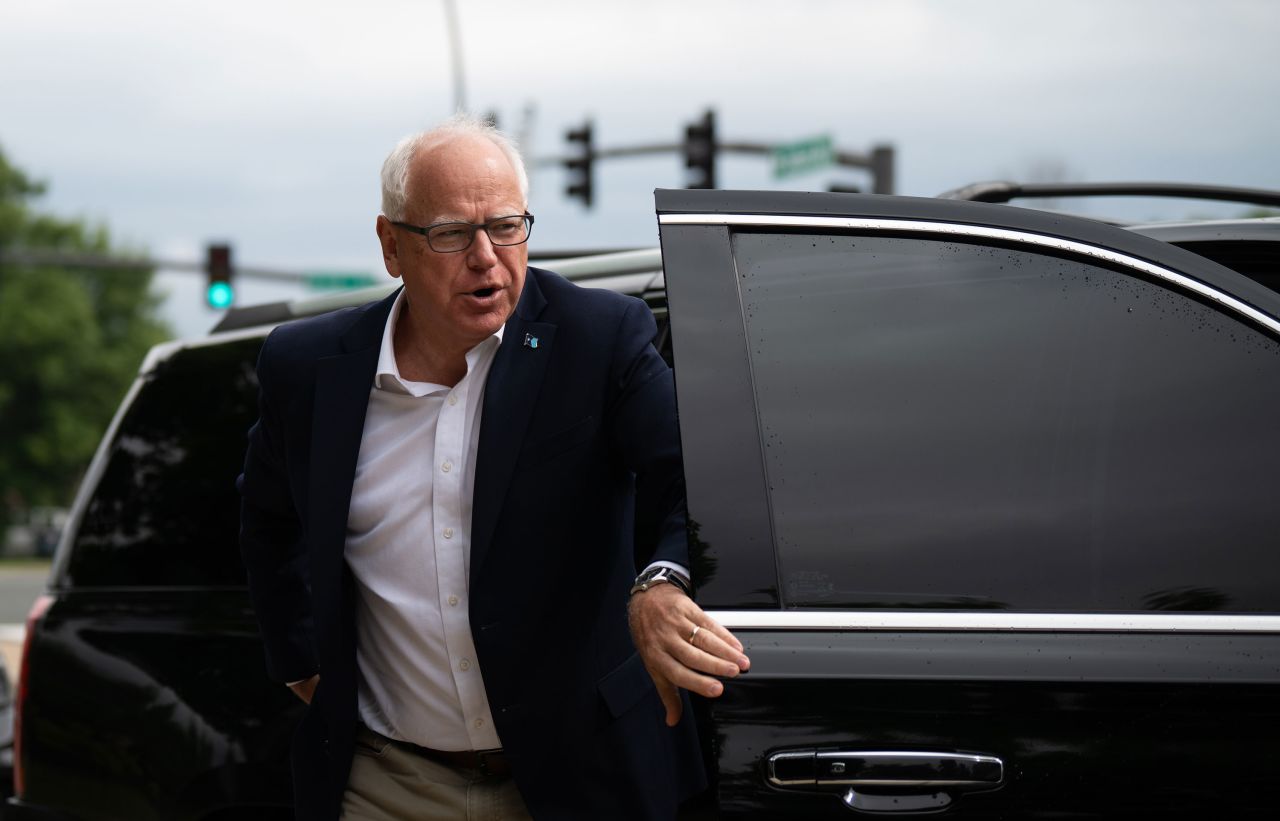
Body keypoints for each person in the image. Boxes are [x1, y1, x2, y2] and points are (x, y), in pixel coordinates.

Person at [238, 114, 750, 821]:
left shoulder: (599, 339)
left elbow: (691, 480)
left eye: (507, 226)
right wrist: (299, 660)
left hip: (581, 774)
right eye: (452, 233)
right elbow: (268, 518)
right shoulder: (308, 369)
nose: (487, 256)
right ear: (391, 245)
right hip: (389, 778)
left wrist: (661, 580)